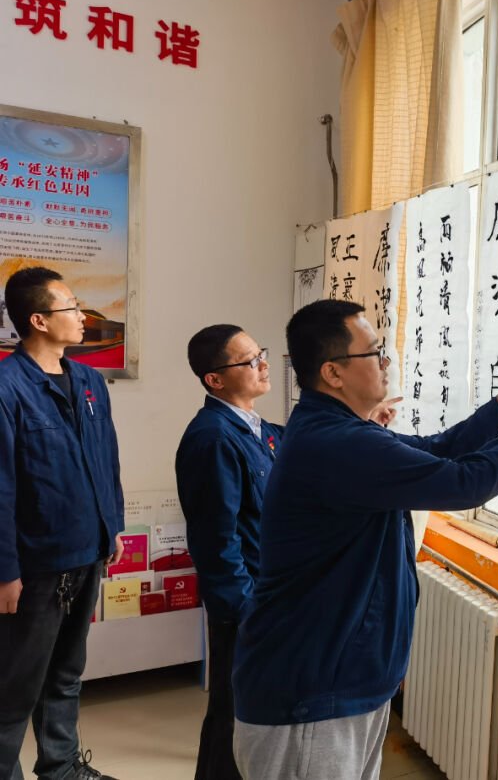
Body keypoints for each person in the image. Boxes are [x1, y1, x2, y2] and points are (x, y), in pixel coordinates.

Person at [232, 299, 498, 780]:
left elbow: (438, 449)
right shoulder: (337, 444)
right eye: (374, 353)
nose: (385, 363)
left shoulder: (342, 431)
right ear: (333, 372)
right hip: (311, 692)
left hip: (341, 680)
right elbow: (463, 484)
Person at [0, 267, 125, 780]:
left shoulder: (90, 381)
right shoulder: (8, 387)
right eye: (71, 307)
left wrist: (112, 526)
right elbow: (1, 485)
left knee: (68, 673)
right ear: (38, 320)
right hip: (36, 564)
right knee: (15, 684)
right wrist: (6, 570)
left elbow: (106, 458)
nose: (82, 317)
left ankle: (61, 767)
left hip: (87, 550)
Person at [175, 325, 283, 780]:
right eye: (249, 360)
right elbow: (216, 541)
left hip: (268, 596)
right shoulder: (213, 438)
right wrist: (244, 611)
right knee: (234, 715)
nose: (263, 364)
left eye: (261, 353)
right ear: (214, 380)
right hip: (245, 605)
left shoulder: (259, 429)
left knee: (251, 712)